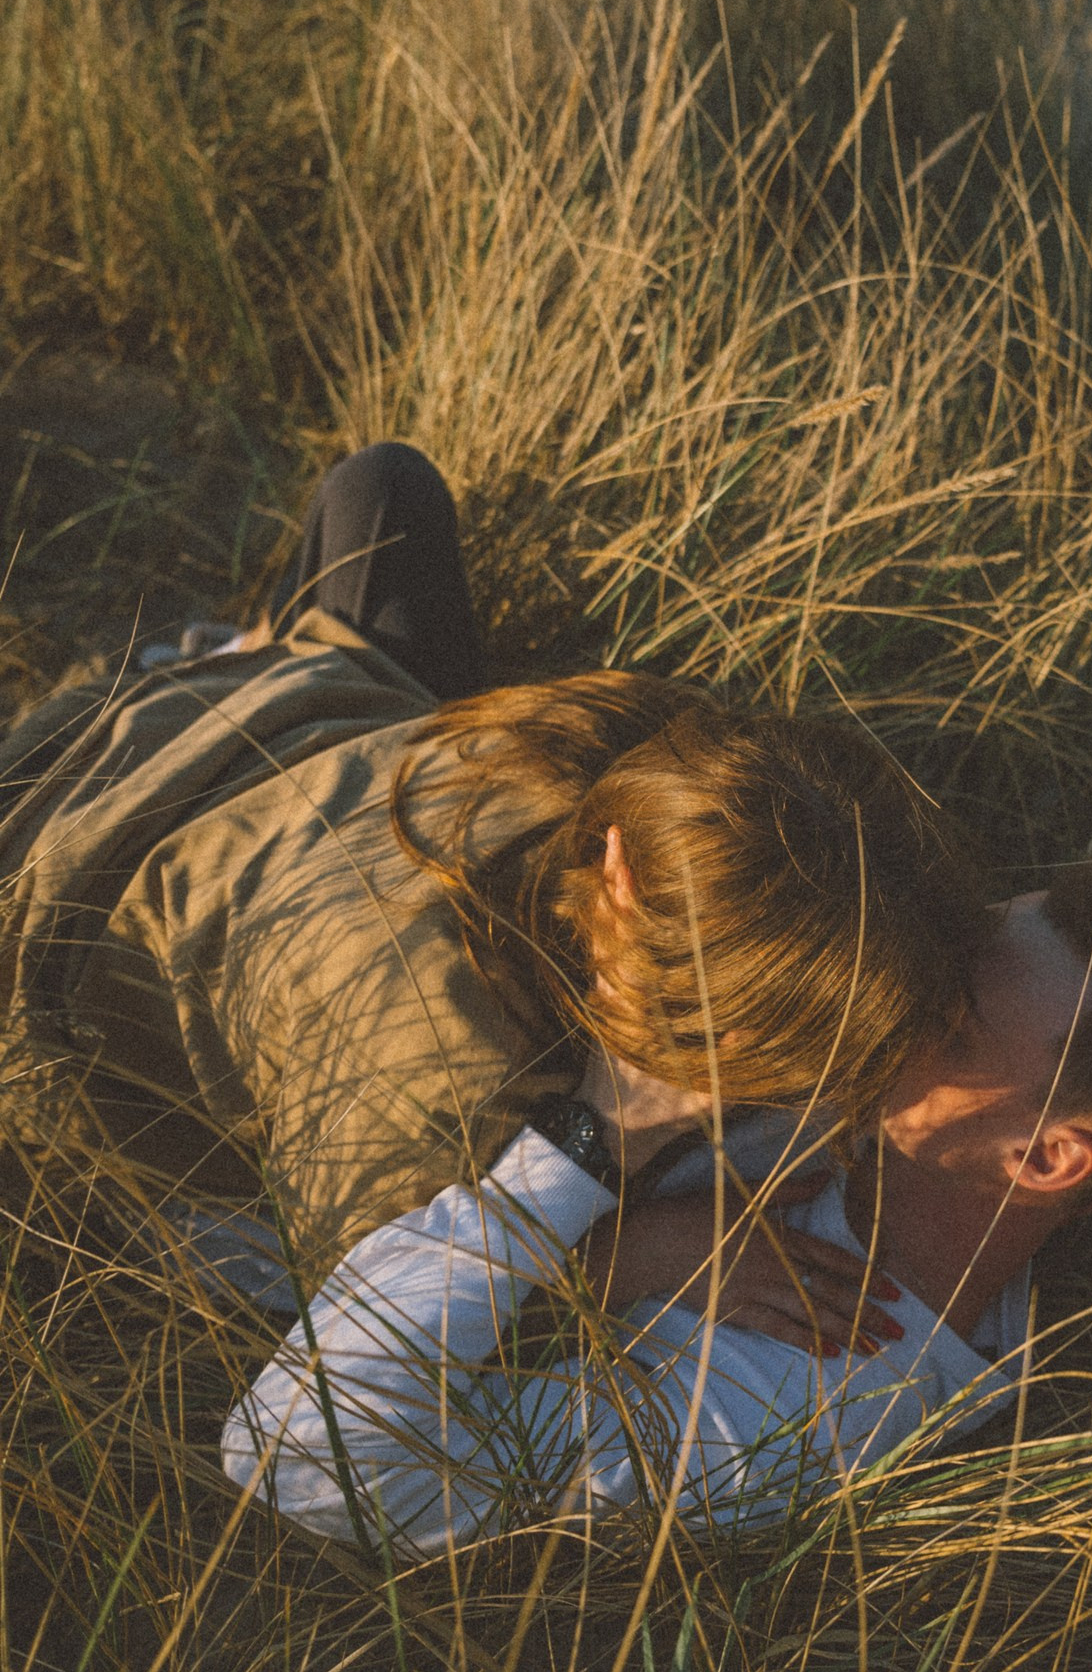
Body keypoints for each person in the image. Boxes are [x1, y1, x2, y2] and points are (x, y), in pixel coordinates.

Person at [0, 443, 984, 1292]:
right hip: (46, 893)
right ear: (629, 893)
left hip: (228, 715)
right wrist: (620, 1253)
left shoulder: (663, 755)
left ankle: (238, 649)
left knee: (385, 487)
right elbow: (363, 1322)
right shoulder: (443, 1075)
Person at [223, 866, 1092, 1556]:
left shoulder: (771, 1418)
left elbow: (301, 1450)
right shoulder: (885, 1125)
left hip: (218, 1162)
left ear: (1042, 1156)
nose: (887, 1001)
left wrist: (599, 1175)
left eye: (951, 1025)